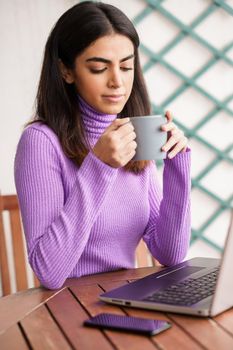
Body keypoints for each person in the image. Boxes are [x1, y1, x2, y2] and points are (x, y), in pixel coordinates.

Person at [14, 1, 191, 290]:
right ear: (66, 71)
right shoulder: (40, 142)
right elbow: (49, 271)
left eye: (126, 66)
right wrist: (99, 166)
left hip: (126, 299)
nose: (117, 82)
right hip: (65, 312)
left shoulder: (134, 133)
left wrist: (177, 165)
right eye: (99, 68)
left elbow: (170, 254)